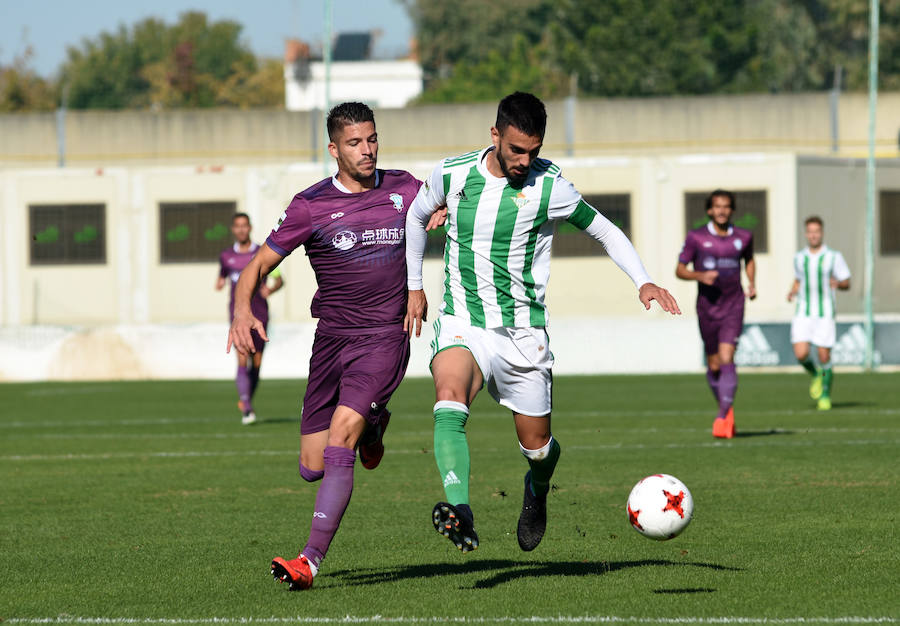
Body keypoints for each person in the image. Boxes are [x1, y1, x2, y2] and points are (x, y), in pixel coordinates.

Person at [405, 91, 681, 555]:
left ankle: (537, 487)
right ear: (495, 136)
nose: (524, 160)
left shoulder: (550, 185)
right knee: (449, 399)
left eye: (533, 151)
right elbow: (415, 215)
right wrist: (415, 286)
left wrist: (643, 281)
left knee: (538, 448)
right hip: (463, 321)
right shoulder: (452, 173)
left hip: (523, 334)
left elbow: (603, 228)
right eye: (516, 149)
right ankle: (462, 511)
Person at [227, 102, 443, 591]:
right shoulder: (310, 205)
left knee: (340, 440)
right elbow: (255, 266)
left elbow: (444, 203)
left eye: (372, 139)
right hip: (331, 342)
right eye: (354, 143)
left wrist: (441, 212)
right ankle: (375, 428)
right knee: (313, 465)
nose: (367, 151)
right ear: (333, 149)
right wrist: (242, 311)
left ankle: (310, 561)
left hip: (385, 336)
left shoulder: (405, 187)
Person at [676, 189, 756, 439]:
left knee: (726, 356)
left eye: (726, 206)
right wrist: (700, 275)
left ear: (732, 210)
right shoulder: (696, 237)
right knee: (713, 364)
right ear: (709, 210)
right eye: (717, 207)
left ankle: (722, 415)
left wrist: (751, 283)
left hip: (734, 304)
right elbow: (680, 269)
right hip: (707, 307)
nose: (721, 211)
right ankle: (726, 405)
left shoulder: (744, 236)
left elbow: (749, 260)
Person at [216, 212, 283, 425]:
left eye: (245, 225)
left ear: (250, 228)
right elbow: (222, 276)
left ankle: (247, 399)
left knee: (257, 363)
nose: (241, 229)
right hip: (239, 315)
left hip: (261, 314)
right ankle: (246, 406)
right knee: (242, 357)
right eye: (237, 226)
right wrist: (219, 283)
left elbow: (279, 279)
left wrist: (269, 291)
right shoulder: (227, 256)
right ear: (233, 229)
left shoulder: (261, 253)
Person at [787, 216, 851, 411]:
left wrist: (838, 284)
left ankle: (825, 394)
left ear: (821, 233)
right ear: (806, 234)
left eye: (816, 231)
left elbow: (847, 282)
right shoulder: (799, 258)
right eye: (810, 231)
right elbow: (798, 280)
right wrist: (792, 291)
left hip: (825, 313)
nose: (813, 235)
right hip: (803, 311)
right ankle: (815, 374)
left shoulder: (834, 256)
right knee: (801, 353)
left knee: (824, 356)